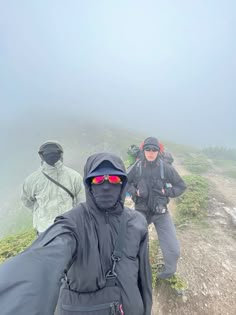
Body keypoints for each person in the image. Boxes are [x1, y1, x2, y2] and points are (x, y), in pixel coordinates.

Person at [0, 152, 152, 315]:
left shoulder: (137, 222)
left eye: (114, 179)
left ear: (122, 183)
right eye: (98, 179)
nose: (106, 185)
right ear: (88, 184)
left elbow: (144, 276)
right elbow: (45, 256)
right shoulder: (72, 223)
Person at [127, 137, 186, 279]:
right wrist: (135, 192)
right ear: (143, 150)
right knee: (134, 245)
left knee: (173, 250)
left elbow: (181, 186)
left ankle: (166, 274)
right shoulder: (137, 167)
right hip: (140, 211)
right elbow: (124, 183)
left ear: (158, 151)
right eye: (148, 149)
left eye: (154, 149)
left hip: (161, 212)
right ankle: (136, 273)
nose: (151, 152)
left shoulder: (166, 168)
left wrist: (167, 192)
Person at [21, 140, 85, 233]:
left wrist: (41, 215)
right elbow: (81, 202)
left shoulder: (31, 180)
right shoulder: (74, 176)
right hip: (57, 229)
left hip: (60, 228)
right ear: (61, 154)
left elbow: (81, 202)